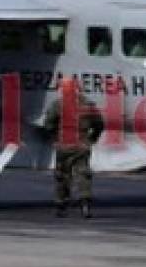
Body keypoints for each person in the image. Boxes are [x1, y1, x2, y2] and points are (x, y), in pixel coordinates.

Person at [40, 78, 105, 218]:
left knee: (62, 175)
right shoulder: (88, 104)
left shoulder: (58, 105)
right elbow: (99, 123)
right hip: (82, 144)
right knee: (83, 174)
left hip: (64, 145)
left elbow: (48, 125)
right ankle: (85, 205)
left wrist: (54, 139)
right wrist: (92, 138)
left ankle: (61, 205)